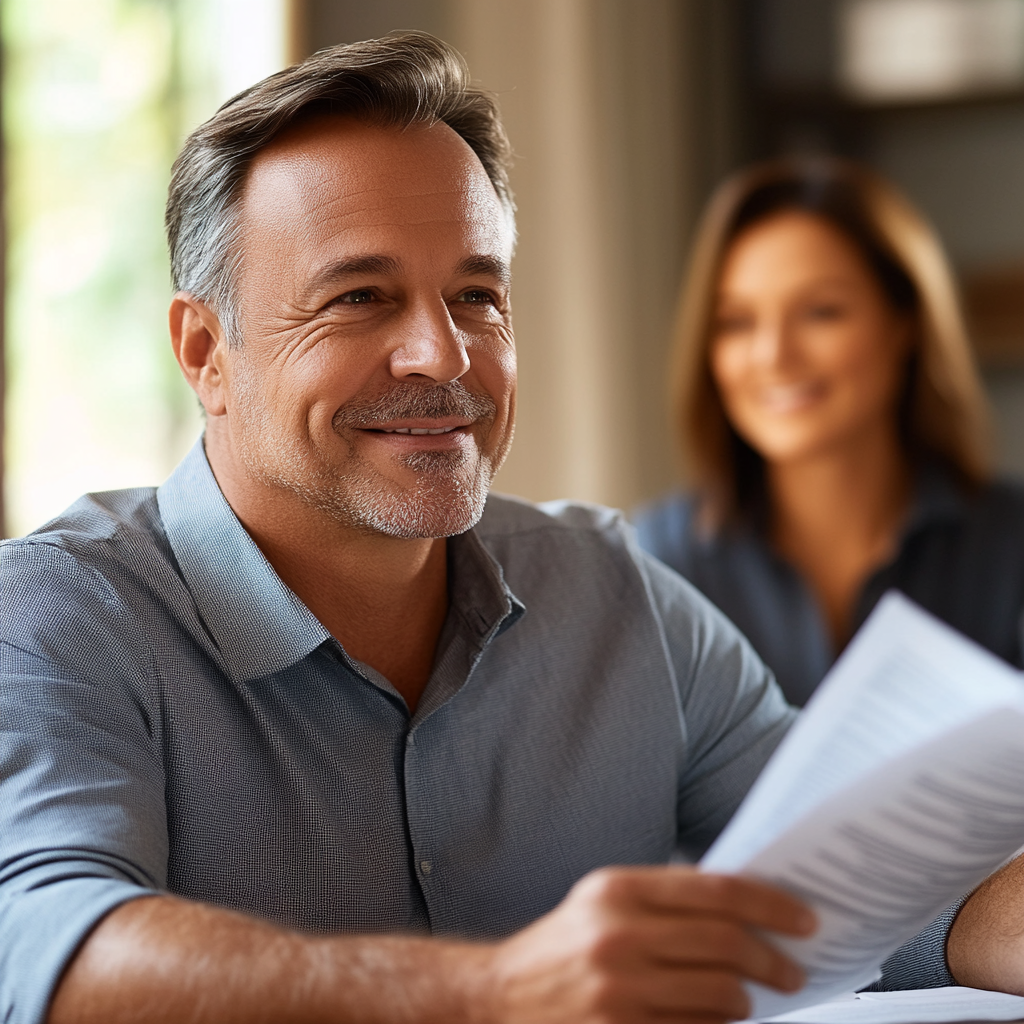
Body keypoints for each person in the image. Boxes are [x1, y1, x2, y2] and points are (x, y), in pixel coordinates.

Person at [0, 35, 957, 1024]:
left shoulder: (617, 593)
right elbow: (48, 955)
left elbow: (873, 868)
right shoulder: (55, 613)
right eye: (359, 297)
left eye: (476, 295)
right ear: (206, 354)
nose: (441, 352)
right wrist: (492, 991)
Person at [634, 158, 1024, 707]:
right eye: (737, 322)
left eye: (821, 312)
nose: (773, 355)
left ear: (903, 323)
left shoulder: (1011, 547)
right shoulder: (660, 562)